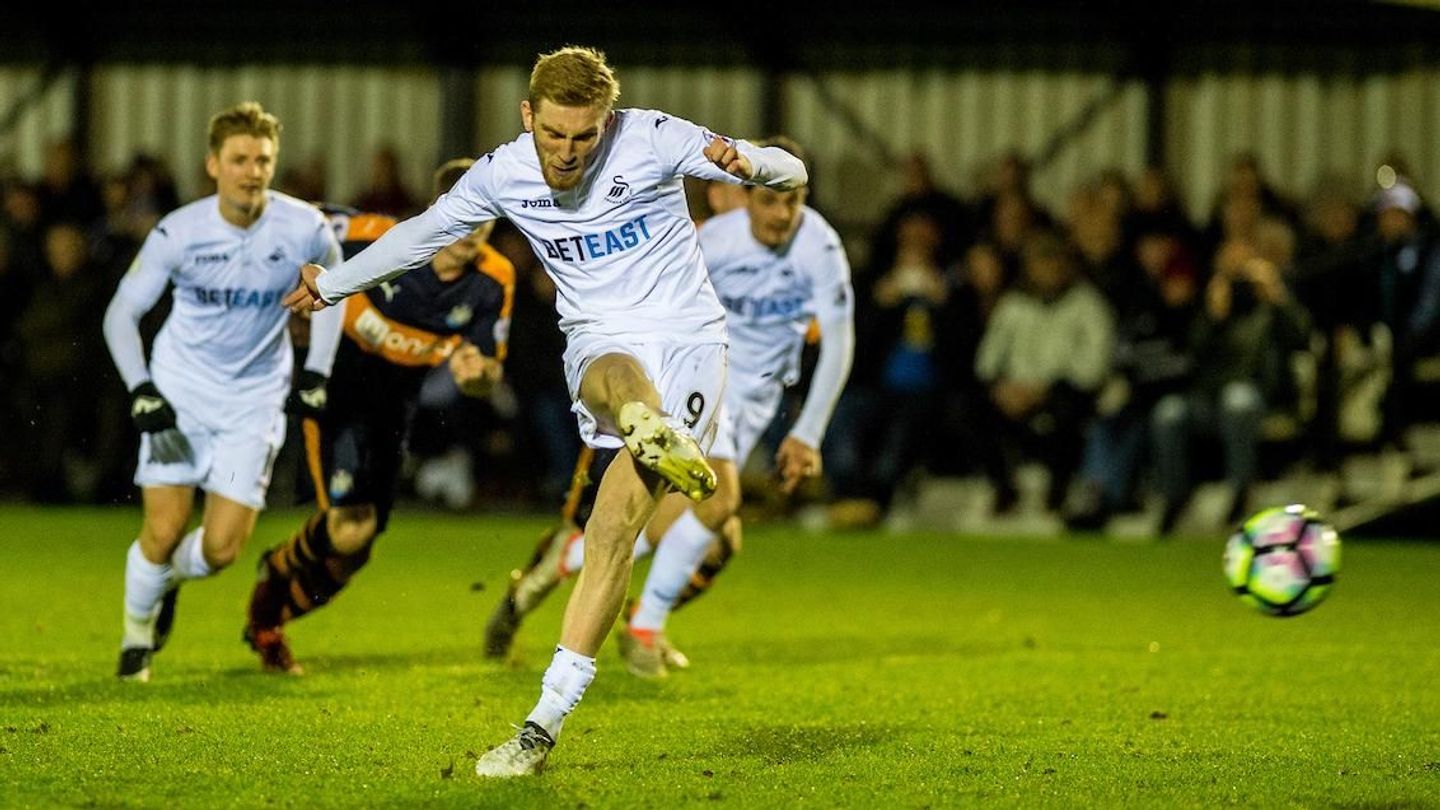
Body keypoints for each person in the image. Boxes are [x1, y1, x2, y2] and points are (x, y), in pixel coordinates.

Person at [281, 46, 806, 777]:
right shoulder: (504, 171)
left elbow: (793, 174)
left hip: (687, 340)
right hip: (599, 340)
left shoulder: (656, 138)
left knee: (610, 529)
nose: (566, 153)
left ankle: (540, 725)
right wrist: (335, 285)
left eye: (584, 137)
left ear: (608, 122)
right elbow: (420, 234)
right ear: (529, 116)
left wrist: (749, 163)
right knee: (614, 383)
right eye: (553, 135)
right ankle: (645, 426)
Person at [484, 137, 854, 679]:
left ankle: (558, 571)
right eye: (768, 199)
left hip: (756, 400)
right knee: (719, 499)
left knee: (713, 539)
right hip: (699, 378)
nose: (781, 212)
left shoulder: (819, 247)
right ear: (745, 198)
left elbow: (842, 341)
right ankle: (643, 630)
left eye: (791, 200)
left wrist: (809, 432)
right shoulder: (714, 241)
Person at [103, 102, 343, 682]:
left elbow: (336, 291)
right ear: (213, 165)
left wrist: (317, 372)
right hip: (180, 395)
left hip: (252, 405)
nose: (252, 171)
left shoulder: (303, 226)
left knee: (221, 550)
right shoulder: (179, 232)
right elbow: (121, 314)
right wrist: (141, 390)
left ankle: (167, 583)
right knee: (162, 531)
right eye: (239, 159)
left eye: (262, 159)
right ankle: (137, 639)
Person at [243, 158, 513, 674]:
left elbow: (487, 375)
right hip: (341, 390)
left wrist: (473, 373)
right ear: (438, 209)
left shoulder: (493, 280)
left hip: (395, 406)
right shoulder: (379, 237)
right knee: (348, 530)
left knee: (354, 554)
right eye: (462, 214)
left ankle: (271, 610)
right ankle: (269, 602)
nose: (469, 231)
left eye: (484, 218)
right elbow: (299, 222)